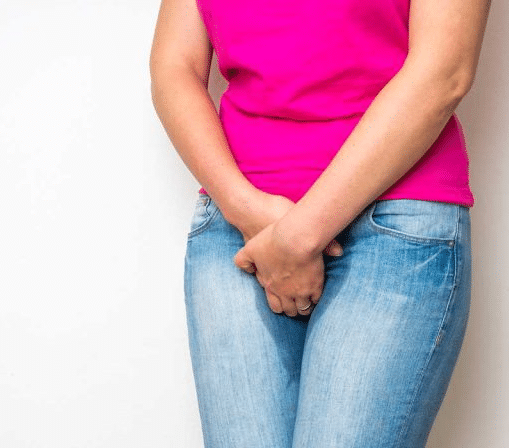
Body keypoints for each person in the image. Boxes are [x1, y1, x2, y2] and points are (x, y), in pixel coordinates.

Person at [150, 0, 491, 446]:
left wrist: (296, 238)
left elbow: (444, 72)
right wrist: (242, 206)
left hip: (394, 221)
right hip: (240, 229)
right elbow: (174, 67)